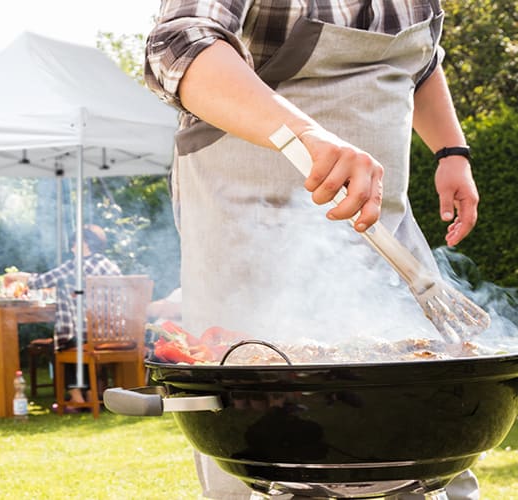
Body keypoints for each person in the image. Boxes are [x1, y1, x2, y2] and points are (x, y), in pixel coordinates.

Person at [146, 1, 479, 498]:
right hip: (249, 220)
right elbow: (177, 42)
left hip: (380, 222)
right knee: (263, 436)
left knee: (428, 416)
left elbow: (422, 61)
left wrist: (451, 150)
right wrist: (305, 134)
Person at [5, 224, 121, 408]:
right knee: (75, 342)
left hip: (87, 335)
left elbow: (41, 281)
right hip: (113, 334)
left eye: (74, 242)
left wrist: (16, 276)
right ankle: (91, 393)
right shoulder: (111, 266)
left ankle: (76, 398)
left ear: (84, 244)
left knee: (60, 345)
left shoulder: (74, 266)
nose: (71, 247)